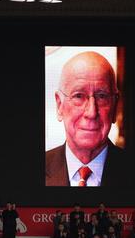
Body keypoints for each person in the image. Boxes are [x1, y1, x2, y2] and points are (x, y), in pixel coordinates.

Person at [45, 51, 126, 187]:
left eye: (102, 96)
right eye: (78, 96)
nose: (91, 112)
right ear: (59, 105)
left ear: (115, 106)